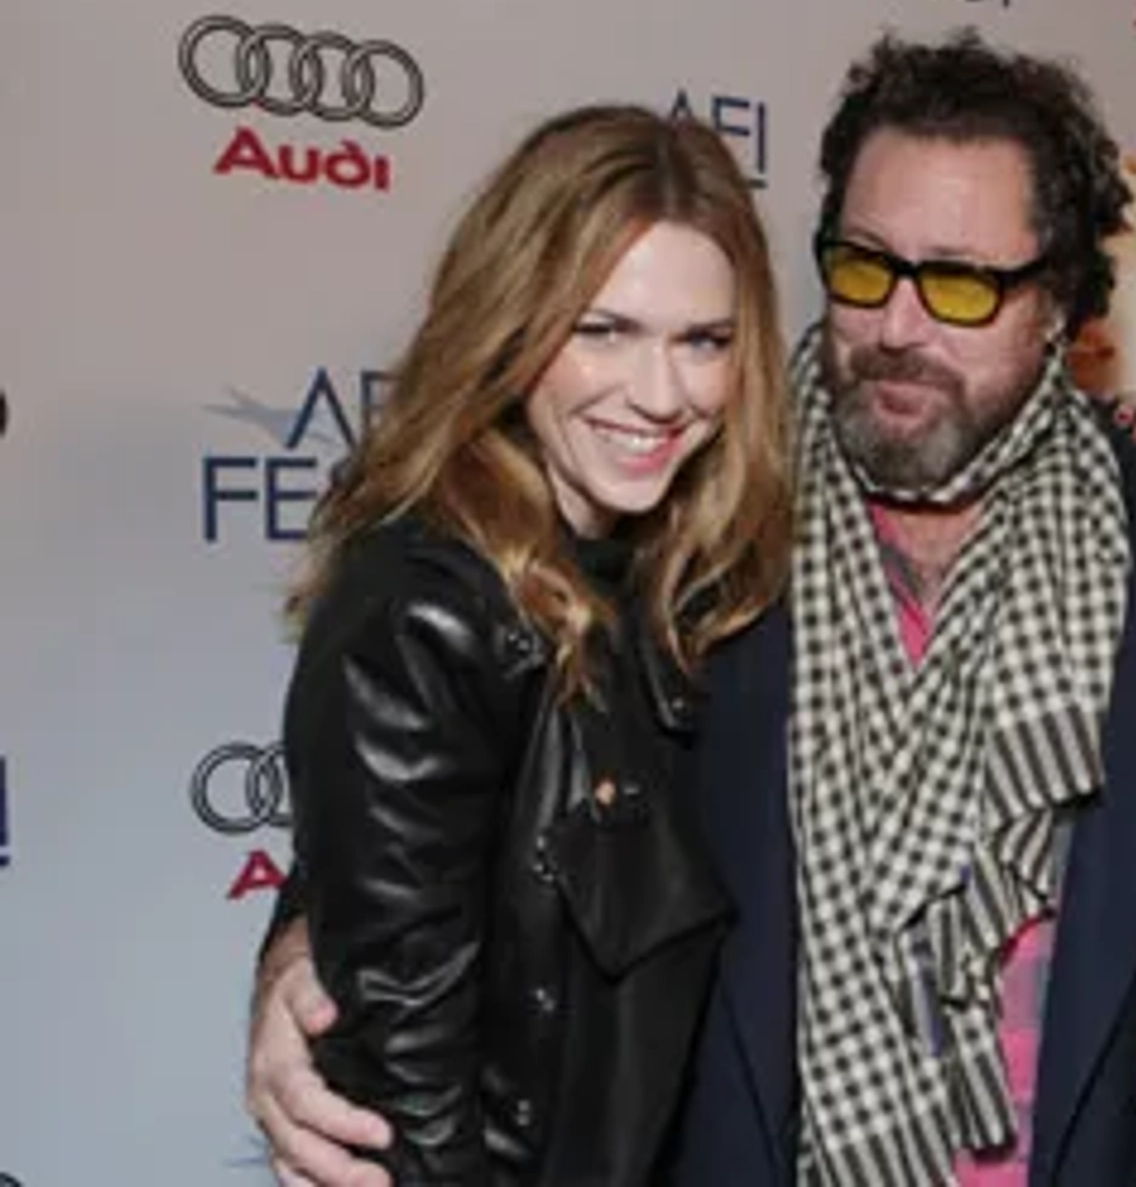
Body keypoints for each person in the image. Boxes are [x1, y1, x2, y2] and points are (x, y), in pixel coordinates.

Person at [249, 34, 1136, 1187]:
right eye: (867, 266)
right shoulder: (692, 508)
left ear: (1066, 309)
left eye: (969, 283)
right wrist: (314, 941)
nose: (903, 323)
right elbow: (477, 748)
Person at [271, 105, 792, 1184]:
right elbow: (404, 1121)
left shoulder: (683, 578)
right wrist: (297, 955)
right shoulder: (425, 616)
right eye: (602, 331)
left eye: (704, 342)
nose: (661, 395)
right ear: (512, 322)